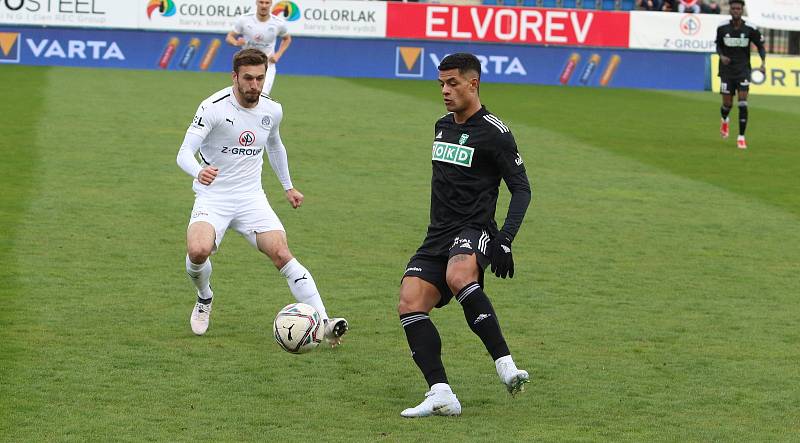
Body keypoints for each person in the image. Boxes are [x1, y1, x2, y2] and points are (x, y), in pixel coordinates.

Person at [176, 49, 347, 345]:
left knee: (281, 253)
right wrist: (198, 171)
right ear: (235, 77)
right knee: (198, 251)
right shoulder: (212, 107)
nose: (254, 85)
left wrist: (288, 186)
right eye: (248, 78)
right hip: (213, 196)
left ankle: (325, 322)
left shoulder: (272, 109)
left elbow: (276, 147)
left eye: (260, 78)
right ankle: (205, 298)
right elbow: (183, 153)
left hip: (251, 197)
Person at [397, 53, 533, 418]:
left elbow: (521, 189)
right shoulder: (442, 125)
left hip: (476, 229)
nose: (445, 90)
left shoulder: (495, 132)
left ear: (472, 83)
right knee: (409, 302)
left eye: (452, 83)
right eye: (441, 83)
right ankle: (441, 393)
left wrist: (505, 239)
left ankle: (506, 365)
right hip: (437, 234)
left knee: (459, 275)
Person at [715, 0, 765, 149]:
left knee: (743, 103)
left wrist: (763, 63)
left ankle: (741, 137)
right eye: (733, 8)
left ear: (742, 10)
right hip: (726, 71)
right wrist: (721, 56)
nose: (736, 10)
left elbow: (760, 46)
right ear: (730, 10)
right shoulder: (722, 27)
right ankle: (724, 120)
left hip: (743, 70)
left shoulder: (750, 28)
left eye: (738, 8)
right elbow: (718, 44)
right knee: (727, 104)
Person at [225, 0, 291, 95]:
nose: (264, 5)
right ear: (256, 3)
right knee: (241, 94)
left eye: (267, 3)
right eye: (261, 2)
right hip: (246, 64)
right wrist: (236, 42)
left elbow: (287, 39)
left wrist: (278, 55)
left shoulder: (278, 23)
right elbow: (229, 37)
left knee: (261, 94)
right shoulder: (244, 19)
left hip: (266, 64)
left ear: (271, 4)